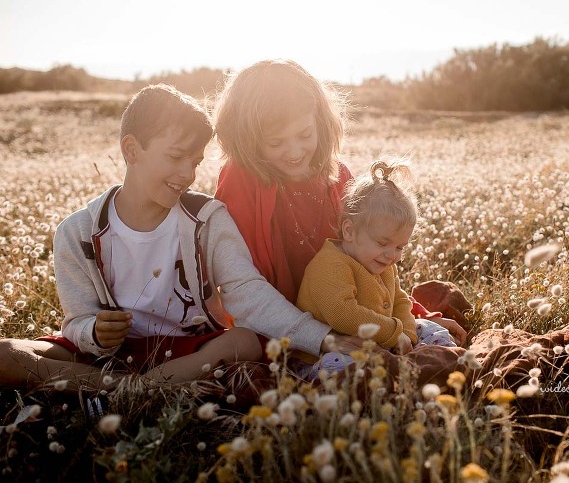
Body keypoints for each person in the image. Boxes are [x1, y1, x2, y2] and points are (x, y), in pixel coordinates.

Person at [0, 84, 348, 394]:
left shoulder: (208, 218)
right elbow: (76, 322)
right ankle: (139, 390)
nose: (187, 174)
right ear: (132, 150)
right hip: (108, 355)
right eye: (175, 157)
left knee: (243, 343)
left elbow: (247, 293)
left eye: (194, 161)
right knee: (6, 354)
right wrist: (94, 332)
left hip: (188, 350)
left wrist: (323, 339)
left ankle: (115, 393)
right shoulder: (76, 233)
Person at [214, 60, 467, 348]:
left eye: (305, 135)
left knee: (435, 345)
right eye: (276, 142)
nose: (295, 151)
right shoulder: (241, 180)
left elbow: (368, 261)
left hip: (351, 320)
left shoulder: (339, 177)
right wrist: (322, 339)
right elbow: (242, 286)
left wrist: (419, 315)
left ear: (320, 122)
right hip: (279, 334)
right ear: (249, 142)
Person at [294, 159, 456, 377]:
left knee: (430, 329)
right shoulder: (330, 264)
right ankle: (410, 371)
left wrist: (407, 335)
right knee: (348, 368)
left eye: (400, 247)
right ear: (349, 231)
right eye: (382, 243)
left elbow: (400, 300)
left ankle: (438, 363)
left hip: (381, 342)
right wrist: (392, 333)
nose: (392, 255)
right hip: (328, 353)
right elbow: (343, 313)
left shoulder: (381, 262)